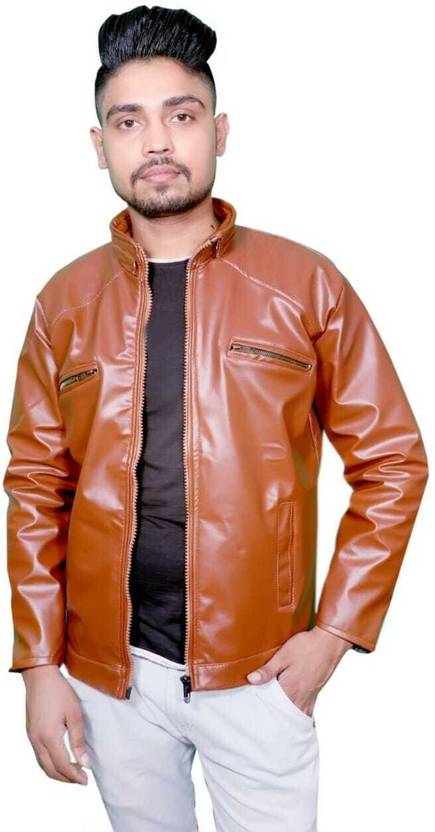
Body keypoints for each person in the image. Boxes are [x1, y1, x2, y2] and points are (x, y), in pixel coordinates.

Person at [3, 5, 429, 832]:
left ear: (219, 131)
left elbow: (392, 459)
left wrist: (334, 634)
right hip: (108, 677)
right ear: (99, 144)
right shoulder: (63, 302)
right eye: (129, 121)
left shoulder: (303, 284)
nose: (156, 142)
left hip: (260, 676)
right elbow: (34, 486)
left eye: (182, 116)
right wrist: (39, 665)